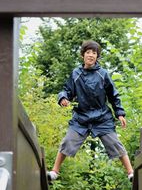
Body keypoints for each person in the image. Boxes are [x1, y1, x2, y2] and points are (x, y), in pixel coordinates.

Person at [47, 40, 134, 182]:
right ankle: (54, 172)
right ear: (83, 55)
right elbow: (67, 90)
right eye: (88, 52)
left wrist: (120, 113)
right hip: (81, 118)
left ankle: (131, 173)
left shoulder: (103, 74)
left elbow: (113, 95)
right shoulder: (76, 74)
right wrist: (63, 97)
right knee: (67, 141)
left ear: (97, 57)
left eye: (94, 53)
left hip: (102, 117)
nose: (91, 55)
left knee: (115, 143)